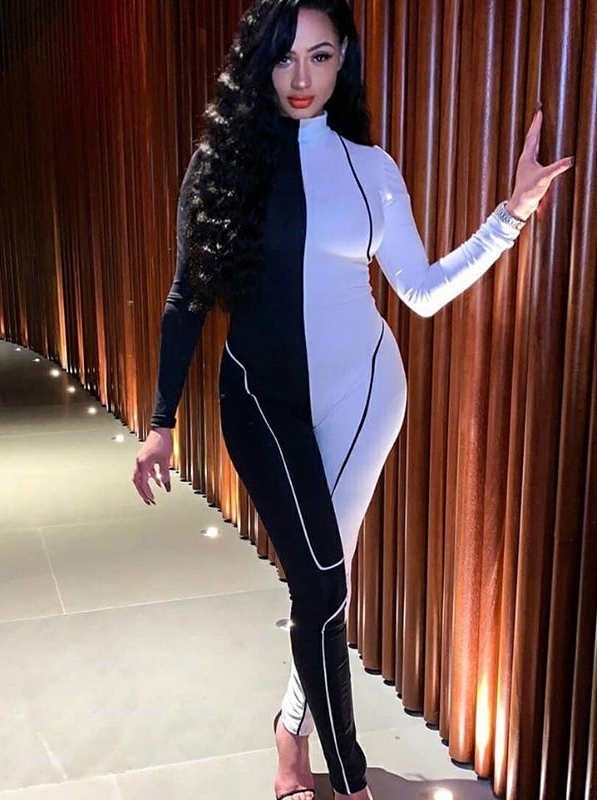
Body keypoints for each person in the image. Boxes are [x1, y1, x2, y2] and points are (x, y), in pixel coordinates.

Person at [131, 1, 573, 797]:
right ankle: (342, 772)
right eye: (284, 57)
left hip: (365, 395)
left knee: (323, 586)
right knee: (324, 585)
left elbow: (422, 292)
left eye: (321, 56)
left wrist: (511, 217)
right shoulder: (220, 164)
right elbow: (185, 298)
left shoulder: (371, 168)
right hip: (259, 398)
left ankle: (306, 753)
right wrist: (160, 422)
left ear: (344, 61)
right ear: (260, 63)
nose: (301, 77)